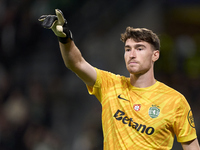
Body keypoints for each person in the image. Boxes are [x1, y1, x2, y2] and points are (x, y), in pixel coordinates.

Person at [39, 9, 200, 150]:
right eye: (128, 49)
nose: (132, 54)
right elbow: (76, 63)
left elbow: (191, 146)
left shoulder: (175, 101)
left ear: (155, 55)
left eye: (140, 48)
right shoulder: (110, 84)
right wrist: (65, 39)